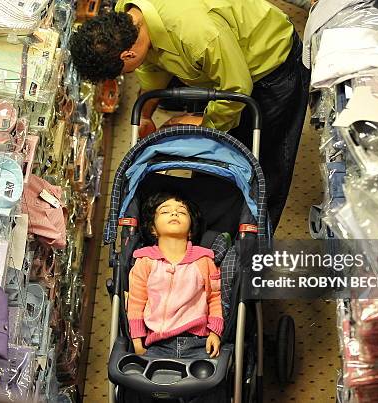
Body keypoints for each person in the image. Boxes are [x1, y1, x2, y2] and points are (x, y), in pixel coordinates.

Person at [70, 0, 311, 231]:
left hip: (270, 65)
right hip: (223, 69)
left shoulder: (198, 35)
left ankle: (256, 242)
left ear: (128, 55)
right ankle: (213, 223)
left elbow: (236, 88)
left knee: (265, 165)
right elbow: (152, 67)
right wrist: (145, 115)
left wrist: (203, 123)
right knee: (213, 158)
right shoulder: (130, 13)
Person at [127, 192, 223, 360]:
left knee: (209, 381)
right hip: (157, 343)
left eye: (182, 211)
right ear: (153, 229)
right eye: (165, 211)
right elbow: (136, 302)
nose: (174, 213)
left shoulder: (204, 260)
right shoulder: (145, 261)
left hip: (198, 341)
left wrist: (215, 332)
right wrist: (136, 339)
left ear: (191, 230)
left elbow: (215, 298)